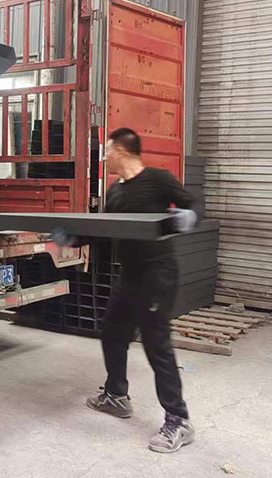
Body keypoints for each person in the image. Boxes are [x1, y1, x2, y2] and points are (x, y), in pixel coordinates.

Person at [85, 127, 199, 454]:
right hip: (129, 276)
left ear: (121, 150)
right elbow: (104, 230)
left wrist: (189, 215)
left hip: (157, 275)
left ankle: (179, 420)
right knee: (112, 332)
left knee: (156, 346)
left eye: (107, 151)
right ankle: (116, 395)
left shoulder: (158, 179)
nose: (104, 157)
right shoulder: (114, 191)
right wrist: (74, 236)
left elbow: (193, 203)